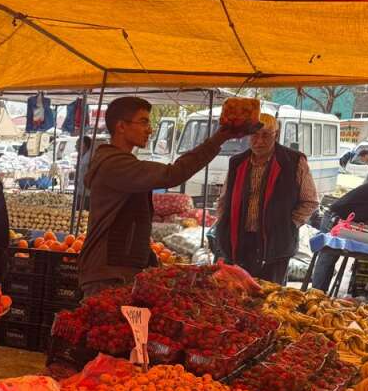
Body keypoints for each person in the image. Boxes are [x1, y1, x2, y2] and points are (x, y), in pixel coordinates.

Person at [79, 96, 244, 295]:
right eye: (143, 122)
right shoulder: (115, 165)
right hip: (109, 272)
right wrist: (219, 138)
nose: (149, 129)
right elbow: (173, 174)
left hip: (118, 268)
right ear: (121, 126)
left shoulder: (118, 161)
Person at [212, 114, 318, 284]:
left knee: (269, 297)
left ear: (276, 135)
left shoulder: (293, 161)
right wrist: (223, 223)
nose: (259, 141)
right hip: (240, 241)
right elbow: (224, 200)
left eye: (266, 135)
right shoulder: (237, 162)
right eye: (255, 135)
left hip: (275, 243)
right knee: (236, 293)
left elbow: (310, 201)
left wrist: (288, 225)